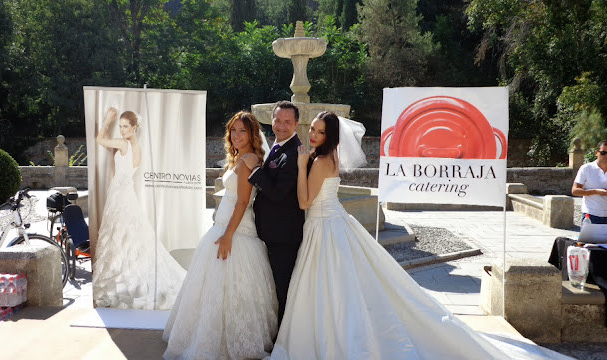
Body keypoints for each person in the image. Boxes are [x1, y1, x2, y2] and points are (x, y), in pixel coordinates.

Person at [270, 111, 572, 360]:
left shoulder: (320, 161)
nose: (313, 135)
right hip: (331, 223)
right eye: (313, 130)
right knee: (337, 285)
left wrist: (299, 166)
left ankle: (331, 341)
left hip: (324, 226)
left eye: (320, 132)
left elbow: (304, 202)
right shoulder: (328, 157)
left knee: (329, 285)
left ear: (331, 137)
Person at [163, 111, 278, 360]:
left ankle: (230, 341)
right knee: (214, 287)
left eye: (242, 131)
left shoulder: (249, 159)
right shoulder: (239, 157)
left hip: (236, 230)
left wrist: (228, 235)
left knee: (231, 284)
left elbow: (243, 202)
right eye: (233, 131)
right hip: (223, 225)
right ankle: (214, 336)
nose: (236, 135)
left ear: (252, 134)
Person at [93, 107, 187, 310]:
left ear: (135, 127)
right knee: (127, 239)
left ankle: (125, 283)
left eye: (125, 126)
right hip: (126, 195)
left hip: (120, 196)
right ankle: (128, 279)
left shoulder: (123, 145)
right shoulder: (138, 148)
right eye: (119, 126)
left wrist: (107, 121)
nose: (122, 130)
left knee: (121, 239)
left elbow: (100, 140)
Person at [246, 100, 305, 326]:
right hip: (271, 231)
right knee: (272, 286)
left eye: (287, 122)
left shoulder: (293, 154)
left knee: (282, 288)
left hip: (283, 235)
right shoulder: (279, 146)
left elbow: (278, 193)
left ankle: (283, 337)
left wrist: (255, 171)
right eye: (278, 120)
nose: (281, 126)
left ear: (296, 124)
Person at [572, 140, 607, 224]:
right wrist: (596, 191)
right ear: (596, 153)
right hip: (591, 214)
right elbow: (575, 191)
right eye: (603, 153)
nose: (606, 156)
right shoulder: (586, 169)